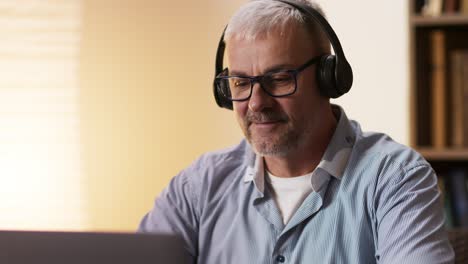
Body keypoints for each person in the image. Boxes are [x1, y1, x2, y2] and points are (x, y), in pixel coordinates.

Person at [138, 0, 454, 263]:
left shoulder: (396, 179)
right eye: (240, 83)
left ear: (329, 78)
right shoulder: (197, 188)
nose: (256, 103)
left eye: (278, 78)